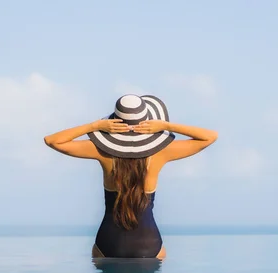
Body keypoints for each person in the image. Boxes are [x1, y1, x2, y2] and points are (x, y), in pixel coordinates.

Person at [44, 94, 218, 259]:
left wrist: (95, 126)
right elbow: (210, 137)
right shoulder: (162, 152)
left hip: (108, 243)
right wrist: (166, 126)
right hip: (149, 244)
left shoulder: (101, 150)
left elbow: (52, 140)